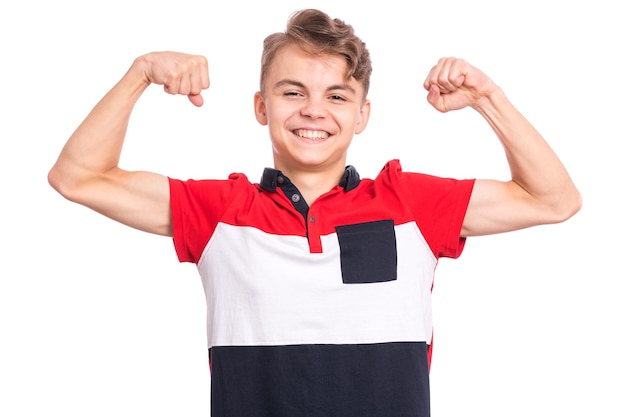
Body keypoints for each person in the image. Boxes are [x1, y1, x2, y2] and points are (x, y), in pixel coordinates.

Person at [48, 8, 582, 417]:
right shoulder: (217, 211)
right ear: (262, 106)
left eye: (337, 96)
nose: (313, 111)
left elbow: (554, 199)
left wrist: (488, 98)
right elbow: (77, 177)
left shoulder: (411, 203)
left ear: (362, 115)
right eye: (292, 91)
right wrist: (139, 74)